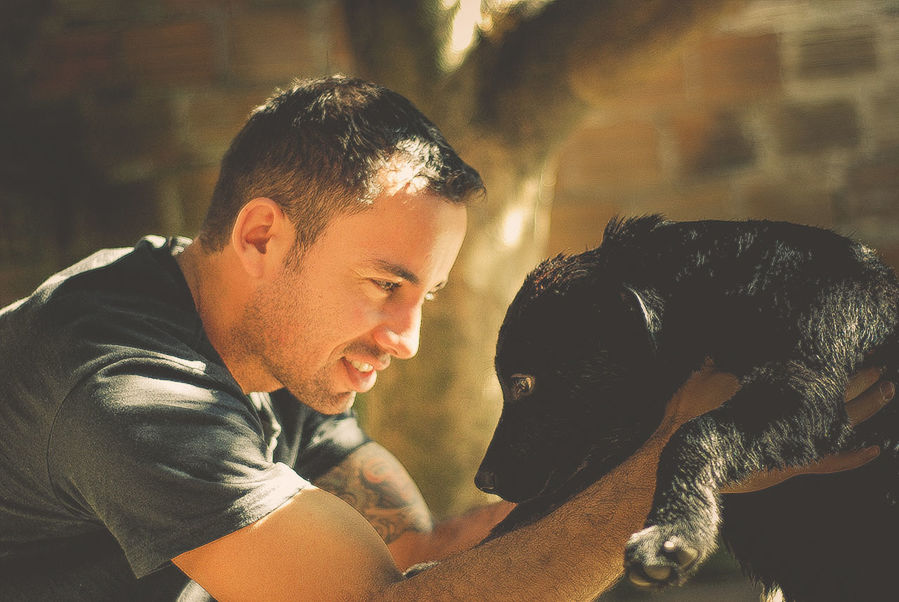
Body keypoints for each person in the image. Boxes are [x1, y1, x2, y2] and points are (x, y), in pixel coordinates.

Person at [0, 75, 892, 601]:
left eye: (426, 295)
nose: (408, 337)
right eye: (387, 285)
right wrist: (663, 474)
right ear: (263, 236)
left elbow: (409, 556)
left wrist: (638, 435)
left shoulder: (256, 336)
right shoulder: (128, 389)